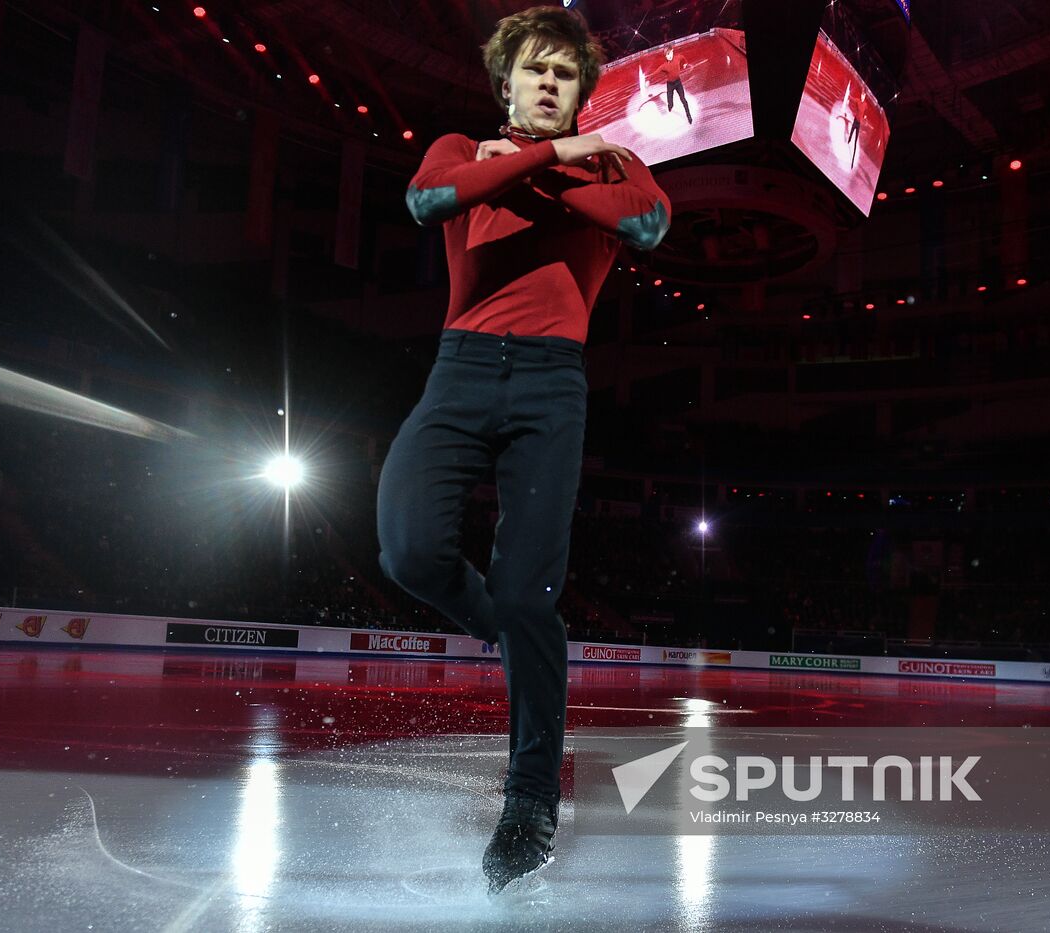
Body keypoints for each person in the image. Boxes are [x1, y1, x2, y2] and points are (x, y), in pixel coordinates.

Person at [376, 4, 670, 896]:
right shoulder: (460, 147)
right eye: (534, 70)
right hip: (461, 369)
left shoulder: (616, 161)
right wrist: (546, 159)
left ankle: (531, 799)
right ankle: (510, 634)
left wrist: (546, 168)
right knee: (411, 550)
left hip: (551, 382)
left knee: (530, 587)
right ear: (506, 83)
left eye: (565, 74)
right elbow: (428, 201)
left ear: (582, 93)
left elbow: (649, 226)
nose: (549, 83)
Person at [654, 44, 692, 124]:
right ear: (665, 56)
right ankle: (670, 106)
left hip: (678, 83)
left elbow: (683, 58)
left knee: (683, 100)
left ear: (672, 51)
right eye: (667, 55)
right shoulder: (664, 66)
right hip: (670, 85)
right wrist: (648, 79)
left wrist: (685, 63)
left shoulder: (678, 58)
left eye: (670, 53)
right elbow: (656, 72)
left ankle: (688, 115)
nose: (669, 56)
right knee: (670, 103)